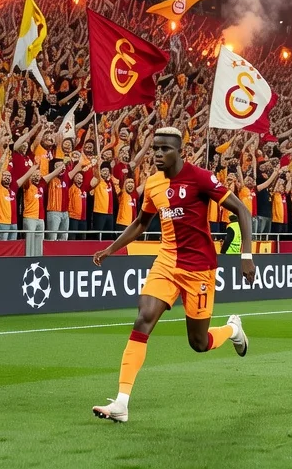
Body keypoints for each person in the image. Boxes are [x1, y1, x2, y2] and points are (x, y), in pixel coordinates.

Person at [90, 127, 253, 424]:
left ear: (181, 153)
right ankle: (122, 403)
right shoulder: (152, 184)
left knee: (199, 343)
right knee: (143, 317)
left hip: (199, 268)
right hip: (166, 262)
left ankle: (233, 330)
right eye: (155, 149)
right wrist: (110, 249)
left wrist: (246, 255)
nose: (158, 155)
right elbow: (141, 222)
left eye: (165, 149)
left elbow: (242, 209)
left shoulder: (200, 178)